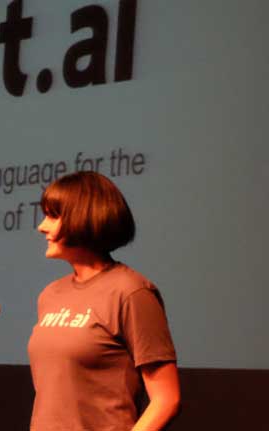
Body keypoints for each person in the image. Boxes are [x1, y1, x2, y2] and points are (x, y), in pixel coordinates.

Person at [27, 171, 180, 430]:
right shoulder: (50, 295)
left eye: (53, 216)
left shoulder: (131, 292)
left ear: (83, 217)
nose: (41, 226)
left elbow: (166, 399)